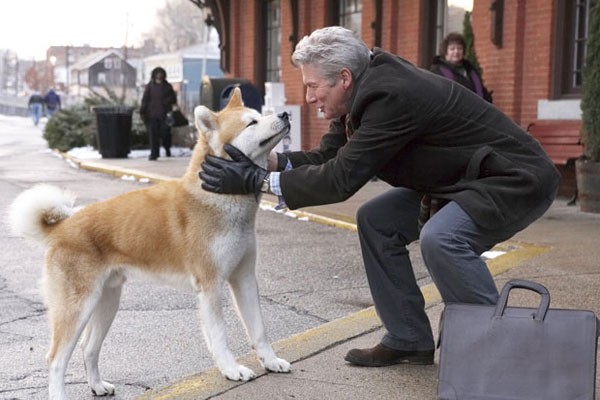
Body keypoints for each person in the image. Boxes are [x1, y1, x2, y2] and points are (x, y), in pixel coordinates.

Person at [199, 26, 559, 367]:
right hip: (462, 179)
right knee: (376, 220)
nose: (308, 98)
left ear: (343, 78)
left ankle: (507, 349)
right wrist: (267, 160)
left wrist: (256, 181)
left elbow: (341, 179)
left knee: (443, 239)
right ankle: (408, 338)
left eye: (312, 87)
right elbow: (329, 158)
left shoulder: (391, 96)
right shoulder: (361, 89)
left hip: (513, 178)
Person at [430, 32, 493, 103]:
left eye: (459, 48)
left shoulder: (471, 70)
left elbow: (482, 91)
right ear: (445, 52)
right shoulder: (437, 72)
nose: (456, 52)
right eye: (452, 49)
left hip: (476, 111)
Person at [140, 66, 177, 160]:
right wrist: (143, 111)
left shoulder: (167, 86)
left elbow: (173, 99)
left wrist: (167, 103)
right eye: (157, 73)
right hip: (152, 114)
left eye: (161, 73)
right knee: (153, 135)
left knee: (165, 134)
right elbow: (145, 99)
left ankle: (167, 148)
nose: (159, 75)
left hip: (164, 115)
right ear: (154, 75)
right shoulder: (150, 86)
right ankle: (154, 154)